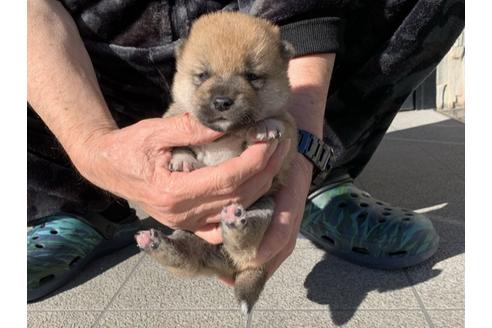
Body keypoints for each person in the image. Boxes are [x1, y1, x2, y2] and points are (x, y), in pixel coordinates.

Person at [27, 0, 465, 302]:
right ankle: (75, 199)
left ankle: (323, 176)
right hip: (98, 64)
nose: (223, 98)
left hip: (279, 37)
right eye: (204, 80)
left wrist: (305, 151)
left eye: (252, 79)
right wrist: (90, 144)